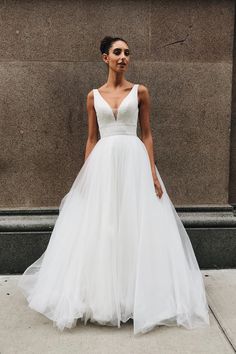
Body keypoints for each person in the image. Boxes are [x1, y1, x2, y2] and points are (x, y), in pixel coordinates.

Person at [17, 36, 210, 336]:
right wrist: (86, 175)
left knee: (135, 225)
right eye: (117, 52)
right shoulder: (93, 96)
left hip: (134, 163)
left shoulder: (140, 91)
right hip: (103, 164)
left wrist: (152, 173)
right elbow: (92, 138)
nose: (123, 57)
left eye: (127, 53)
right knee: (104, 226)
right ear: (104, 57)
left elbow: (147, 134)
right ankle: (105, 297)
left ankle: (138, 295)